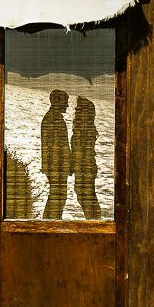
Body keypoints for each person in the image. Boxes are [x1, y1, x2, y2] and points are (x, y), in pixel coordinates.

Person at [41, 89, 71, 219]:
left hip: (56, 166)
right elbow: (58, 147)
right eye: (65, 102)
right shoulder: (53, 119)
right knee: (58, 196)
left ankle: (49, 221)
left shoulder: (53, 118)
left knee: (57, 196)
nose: (67, 105)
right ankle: (51, 222)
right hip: (56, 166)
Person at [71, 96, 101, 220]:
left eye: (79, 109)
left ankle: (94, 221)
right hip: (84, 167)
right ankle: (94, 220)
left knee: (86, 195)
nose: (76, 111)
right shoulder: (83, 128)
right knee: (86, 195)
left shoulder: (85, 129)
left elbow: (83, 151)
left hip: (85, 167)